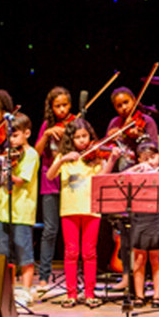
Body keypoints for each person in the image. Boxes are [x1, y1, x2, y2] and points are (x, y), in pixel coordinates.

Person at [46, 117, 120, 307]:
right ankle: (71, 294)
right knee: (71, 252)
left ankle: (89, 293)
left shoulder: (95, 158)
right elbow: (50, 175)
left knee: (89, 253)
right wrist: (62, 159)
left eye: (84, 136)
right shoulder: (64, 158)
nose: (81, 140)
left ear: (90, 136)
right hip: (69, 209)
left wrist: (112, 160)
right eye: (77, 137)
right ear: (71, 139)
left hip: (91, 209)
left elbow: (101, 178)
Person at [0, 112, 39, 302]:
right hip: (2, 210)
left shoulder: (31, 154)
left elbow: (21, 180)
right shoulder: (8, 154)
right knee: (4, 255)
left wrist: (6, 173)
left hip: (21, 211)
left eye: (15, 135)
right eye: (9, 136)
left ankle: (26, 290)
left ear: (27, 133)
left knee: (24, 253)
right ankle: (8, 291)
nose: (11, 140)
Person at [33, 86, 73, 292]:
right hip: (49, 182)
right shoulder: (46, 126)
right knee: (50, 230)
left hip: (70, 181)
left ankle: (72, 276)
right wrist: (47, 134)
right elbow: (36, 153)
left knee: (70, 231)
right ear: (51, 107)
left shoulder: (74, 123)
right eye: (57, 106)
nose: (62, 110)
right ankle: (44, 276)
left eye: (65, 105)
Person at [125, 139, 159, 307]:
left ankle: (157, 296)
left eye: (152, 157)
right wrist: (138, 168)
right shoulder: (136, 173)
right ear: (138, 160)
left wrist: (157, 174)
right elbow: (122, 178)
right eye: (144, 159)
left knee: (156, 257)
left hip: (156, 216)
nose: (149, 162)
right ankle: (139, 295)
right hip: (139, 216)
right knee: (139, 258)